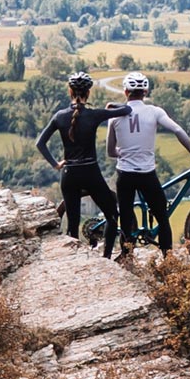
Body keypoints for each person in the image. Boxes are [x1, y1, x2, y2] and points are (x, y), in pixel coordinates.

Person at [104, 71, 190, 258]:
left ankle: (127, 259)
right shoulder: (154, 112)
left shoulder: (114, 117)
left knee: (126, 219)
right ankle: (168, 260)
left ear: (126, 92)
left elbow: (110, 152)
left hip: (125, 174)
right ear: (146, 91)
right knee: (162, 217)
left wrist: (126, 151)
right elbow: (177, 130)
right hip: (147, 174)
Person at [35, 72, 131, 251]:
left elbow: (40, 143)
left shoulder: (59, 116)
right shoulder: (94, 115)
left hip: (69, 173)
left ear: (70, 91)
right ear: (88, 93)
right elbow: (127, 110)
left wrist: (56, 164)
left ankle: (74, 260)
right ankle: (107, 257)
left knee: (73, 224)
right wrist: (111, 106)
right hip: (90, 172)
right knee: (111, 215)